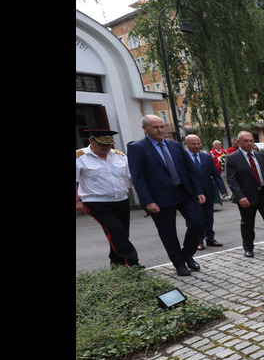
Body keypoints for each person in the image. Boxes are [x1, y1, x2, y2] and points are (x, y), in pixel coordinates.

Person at [128, 115, 206, 276]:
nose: (160, 130)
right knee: (168, 233)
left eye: (162, 126)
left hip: (184, 193)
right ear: (145, 128)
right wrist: (148, 201)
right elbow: (138, 177)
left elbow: (190, 170)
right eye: (155, 127)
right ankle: (179, 264)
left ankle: (187, 255)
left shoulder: (175, 145)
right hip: (159, 198)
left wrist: (198, 191)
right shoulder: (138, 148)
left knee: (196, 223)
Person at [76, 129, 141, 268]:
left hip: (121, 200)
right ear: (91, 141)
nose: (106, 147)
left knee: (121, 233)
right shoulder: (79, 157)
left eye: (109, 144)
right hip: (96, 202)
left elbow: (132, 178)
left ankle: (117, 263)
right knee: (116, 231)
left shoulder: (119, 155)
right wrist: (77, 201)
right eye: (102, 144)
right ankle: (133, 262)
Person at [185, 134, 228, 250]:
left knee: (208, 217)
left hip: (208, 191)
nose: (196, 146)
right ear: (186, 144)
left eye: (198, 144)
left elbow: (215, 174)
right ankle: (199, 240)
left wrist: (222, 189)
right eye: (193, 144)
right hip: (192, 194)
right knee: (196, 218)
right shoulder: (182, 157)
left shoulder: (206, 157)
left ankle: (210, 238)